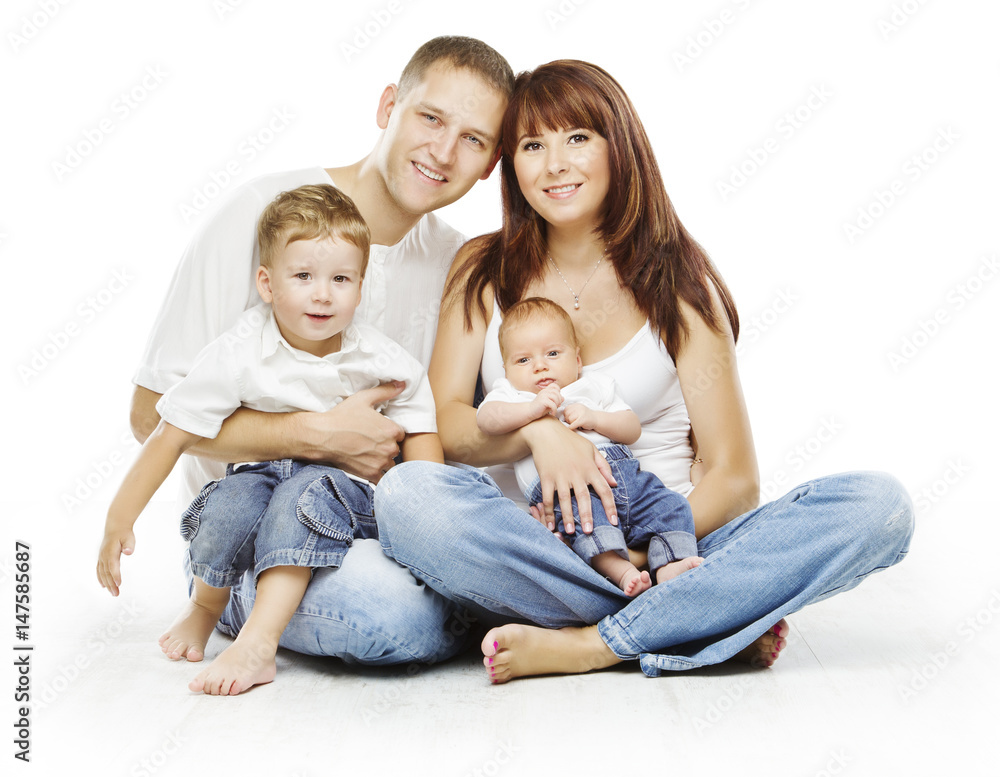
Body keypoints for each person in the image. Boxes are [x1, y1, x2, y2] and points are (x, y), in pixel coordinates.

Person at [374, 59, 914, 683]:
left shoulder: (679, 284)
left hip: (669, 541)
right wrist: (540, 433)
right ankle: (700, 618)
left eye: (578, 138)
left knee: (880, 506)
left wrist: (638, 555)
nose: (555, 164)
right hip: (535, 548)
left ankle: (597, 643)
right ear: (511, 165)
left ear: (619, 146)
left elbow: (734, 479)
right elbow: (447, 426)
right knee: (407, 497)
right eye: (531, 145)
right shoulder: (481, 268)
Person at [127, 37, 512, 670]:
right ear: (388, 106)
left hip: (376, 523)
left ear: (491, 162)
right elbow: (150, 414)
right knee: (388, 613)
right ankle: (227, 605)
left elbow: (456, 425)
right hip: (251, 533)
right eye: (430, 117)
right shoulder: (262, 215)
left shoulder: (457, 260)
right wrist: (316, 435)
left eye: (473, 140)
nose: (443, 152)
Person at [99, 185, 444, 695]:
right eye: (303, 276)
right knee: (229, 498)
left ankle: (260, 643)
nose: (323, 294)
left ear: (361, 287)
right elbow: (170, 434)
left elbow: (421, 435)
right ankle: (204, 606)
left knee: (299, 498)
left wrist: (425, 520)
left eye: (341, 279)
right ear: (267, 282)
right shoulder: (240, 349)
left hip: (343, 494)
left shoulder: (379, 358)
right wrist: (117, 519)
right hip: (260, 475)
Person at [477, 296, 702, 596]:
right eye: (523, 360)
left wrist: (595, 418)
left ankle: (670, 563)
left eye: (553, 353)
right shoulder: (511, 395)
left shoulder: (592, 386)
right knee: (585, 524)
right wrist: (531, 412)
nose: (540, 366)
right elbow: (487, 419)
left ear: (578, 360)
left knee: (671, 507)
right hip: (566, 491)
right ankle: (621, 572)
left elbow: (631, 427)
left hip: (625, 477)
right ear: (505, 370)